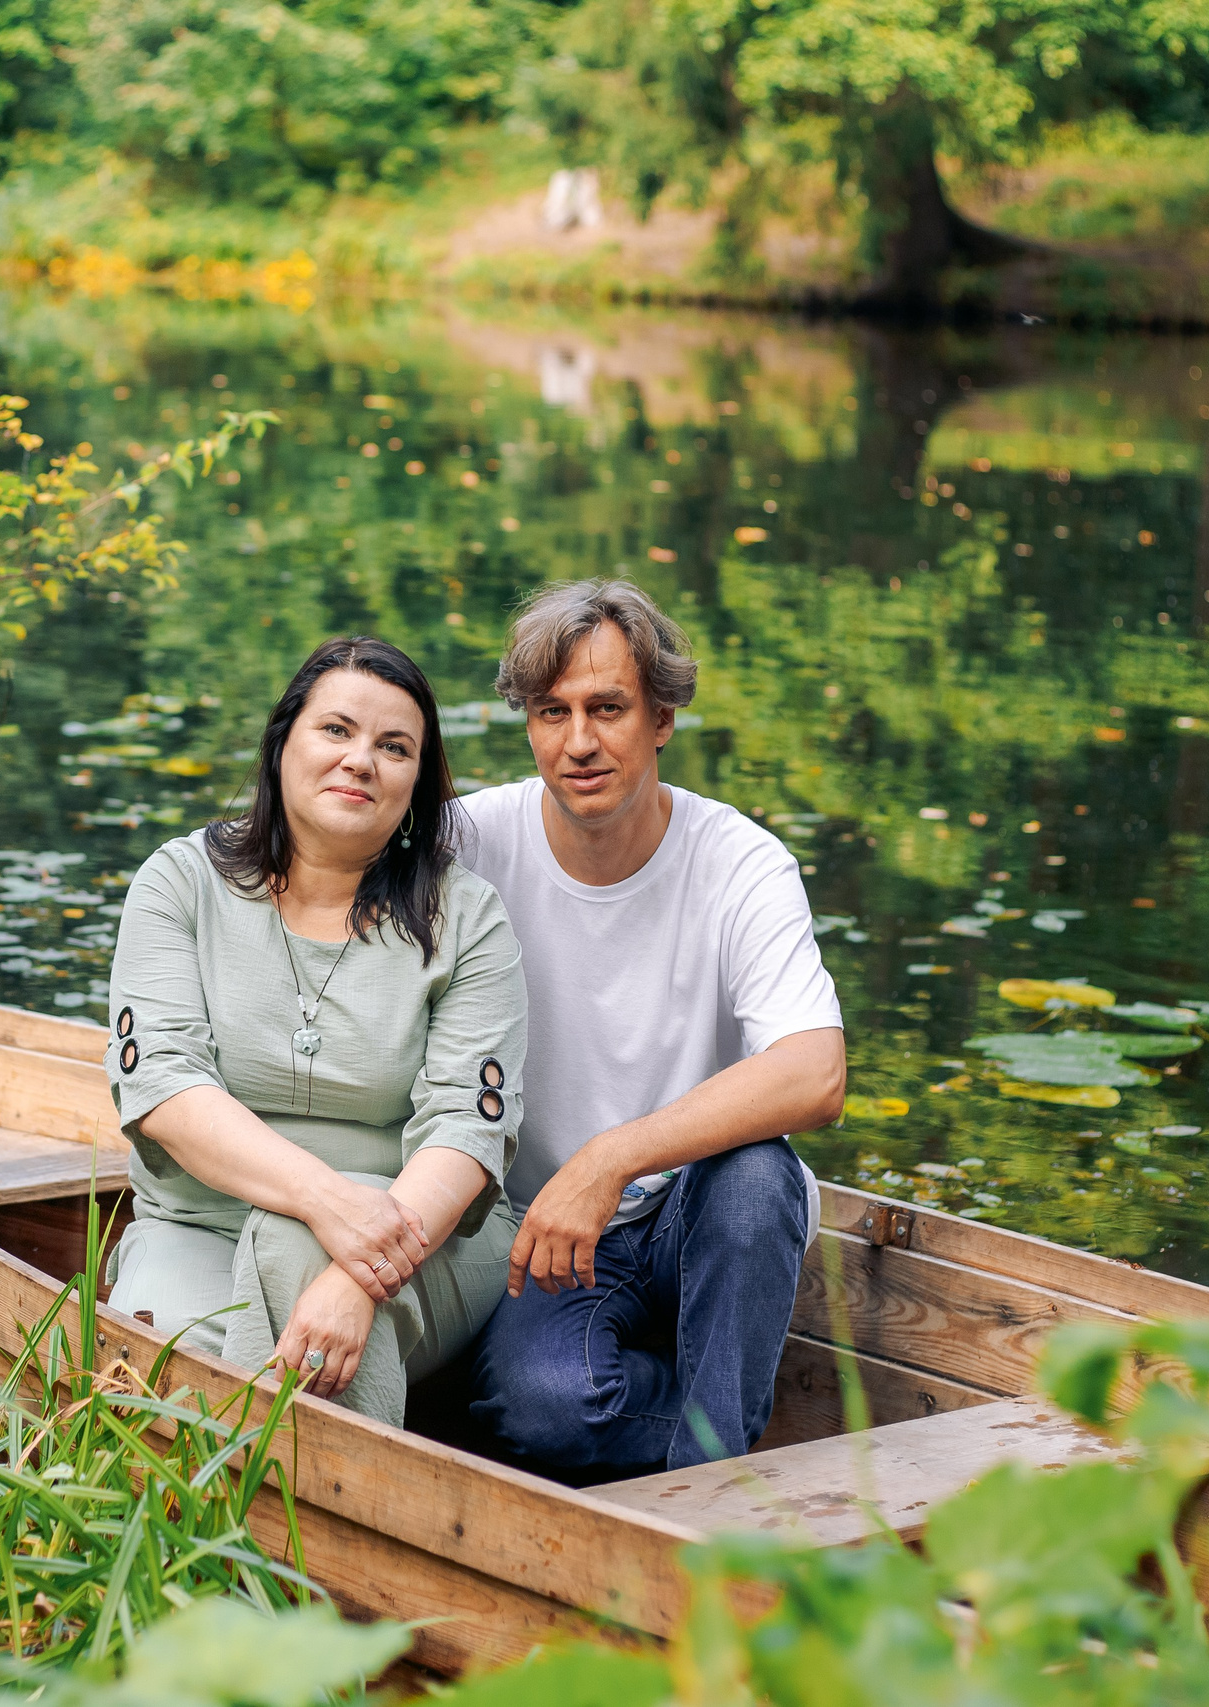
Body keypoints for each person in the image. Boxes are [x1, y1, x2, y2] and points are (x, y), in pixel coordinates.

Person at [457, 580, 847, 1481]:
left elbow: (815, 1071)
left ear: (662, 717)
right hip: (553, 1237)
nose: (579, 741)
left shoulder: (740, 862)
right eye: (552, 712)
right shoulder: (474, 841)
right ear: (527, 723)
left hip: (700, 1219)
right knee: (541, 1412)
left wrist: (612, 1158)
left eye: (608, 708)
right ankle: (715, 1437)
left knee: (757, 1174)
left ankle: (708, 1501)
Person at [100, 637, 527, 1426]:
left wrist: (358, 1266)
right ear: (282, 743)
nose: (361, 759)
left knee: (298, 1260)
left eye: (393, 747)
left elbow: (468, 1128)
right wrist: (323, 1199)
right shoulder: (182, 883)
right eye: (336, 730)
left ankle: (323, 1531)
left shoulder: (465, 918)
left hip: (420, 1244)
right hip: (201, 1223)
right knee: (171, 1387)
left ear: (415, 783)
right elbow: (162, 1083)